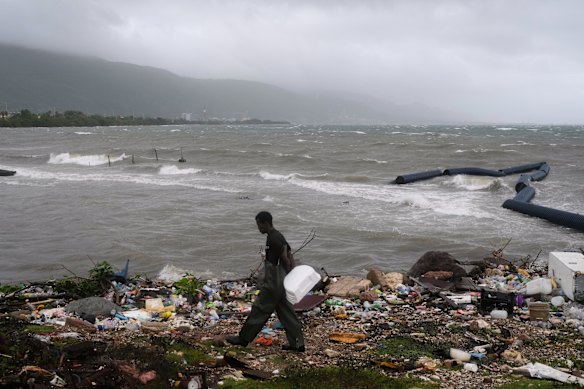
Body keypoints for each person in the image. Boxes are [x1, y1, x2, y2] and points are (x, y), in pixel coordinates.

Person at [226, 211, 305, 352]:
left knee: (260, 309)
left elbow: (285, 258)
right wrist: (290, 274)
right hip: (281, 280)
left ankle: (243, 339)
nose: (258, 228)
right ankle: (298, 344)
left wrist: (287, 273)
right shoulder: (279, 235)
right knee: (286, 312)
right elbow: (289, 254)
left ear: (265, 223)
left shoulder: (273, 238)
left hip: (275, 279)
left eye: (258, 225)